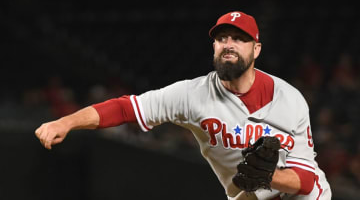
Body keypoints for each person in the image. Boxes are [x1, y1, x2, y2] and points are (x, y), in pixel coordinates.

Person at [35, 11, 332, 199]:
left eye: (239, 39)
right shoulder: (193, 95)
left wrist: (269, 177)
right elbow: (126, 108)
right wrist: (66, 122)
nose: (228, 44)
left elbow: (306, 181)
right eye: (222, 38)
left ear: (256, 49)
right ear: (214, 46)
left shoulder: (288, 99)